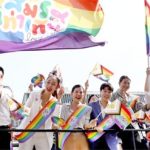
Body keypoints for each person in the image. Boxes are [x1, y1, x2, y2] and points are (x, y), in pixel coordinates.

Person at [17, 69, 63, 150]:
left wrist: (57, 126)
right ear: (45, 83)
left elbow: (54, 123)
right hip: (29, 133)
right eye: (48, 82)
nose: (50, 86)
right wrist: (16, 114)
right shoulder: (34, 94)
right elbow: (25, 110)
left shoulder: (55, 103)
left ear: (56, 87)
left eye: (53, 84)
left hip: (44, 136)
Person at [110, 75, 149, 149]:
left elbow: (140, 109)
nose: (127, 85)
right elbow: (111, 112)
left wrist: (147, 106)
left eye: (128, 83)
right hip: (122, 128)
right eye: (124, 82)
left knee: (143, 146)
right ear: (119, 83)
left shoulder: (132, 97)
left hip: (135, 127)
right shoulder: (113, 96)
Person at [56, 84, 97, 150]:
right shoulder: (64, 107)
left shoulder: (87, 109)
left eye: (81, 92)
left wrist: (90, 125)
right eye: (76, 92)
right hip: (67, 138)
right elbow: (61, 123)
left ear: (83, 95)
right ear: (71, 94)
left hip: (81, 138)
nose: (79, 94)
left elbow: (85, 126)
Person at [89, 83, 122, 150]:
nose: (107, 94)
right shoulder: (91, 105)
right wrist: (95, 127)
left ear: (112, 94)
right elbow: (88, 122)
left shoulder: (115, 108)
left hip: (110, 141)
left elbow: (119, 127)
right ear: (100, 92)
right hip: (95, 141)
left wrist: (105, 129)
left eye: (109, 92)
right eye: (105, 91)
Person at [0, 66, 13, 150]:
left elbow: (12, 109)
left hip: (5, 128)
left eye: (0, 76)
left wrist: (11, 128)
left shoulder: (8, 91)